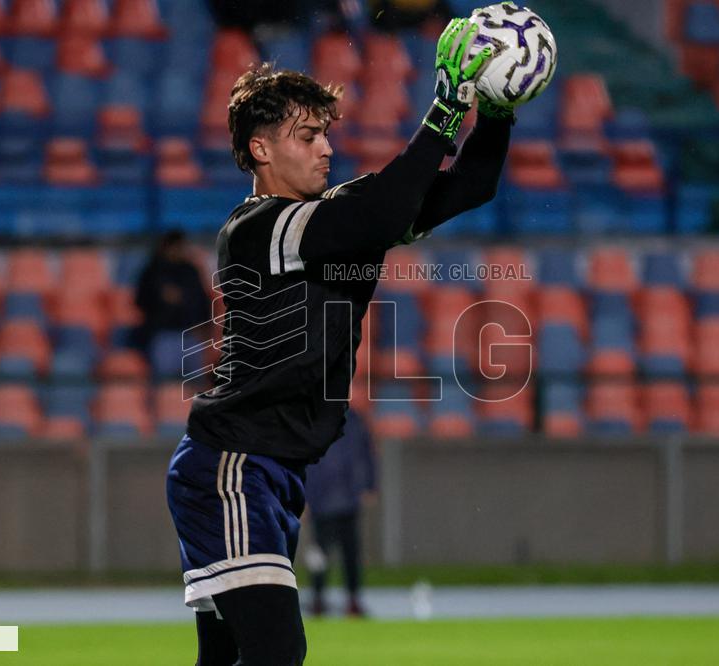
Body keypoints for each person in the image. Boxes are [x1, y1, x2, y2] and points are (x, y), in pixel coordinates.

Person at [166, 16, 513, 665]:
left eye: (326, 132)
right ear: (261, 151)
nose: (326, 147)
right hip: (232, 466)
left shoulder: (332, 222)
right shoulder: (257, 229)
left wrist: (498, 106)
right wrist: (444, 110)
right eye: (307, 135)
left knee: (225, 659)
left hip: (270, 471)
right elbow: (380, 212)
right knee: (277, 653)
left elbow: (472, 185)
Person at [304, 409, 376, 618]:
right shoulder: (312, 418)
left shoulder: (353, 419)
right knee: (319, 554)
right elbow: (306, 459)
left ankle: (352, 598)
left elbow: (366, 452)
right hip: (321, 499)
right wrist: (303, 495)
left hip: (347, 498)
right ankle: (318, 597)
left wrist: (369, 483)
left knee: (351, 553)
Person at [133, 230, 211, 370]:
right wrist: (161, 298)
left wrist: (202, 327)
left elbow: (202, 301)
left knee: (194, 384)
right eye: (176, 246)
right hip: (163, 335)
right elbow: (140, 302)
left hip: (190, 335)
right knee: (166, 384)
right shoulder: (152, 271)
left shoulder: (190, 270)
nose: (179, 250)